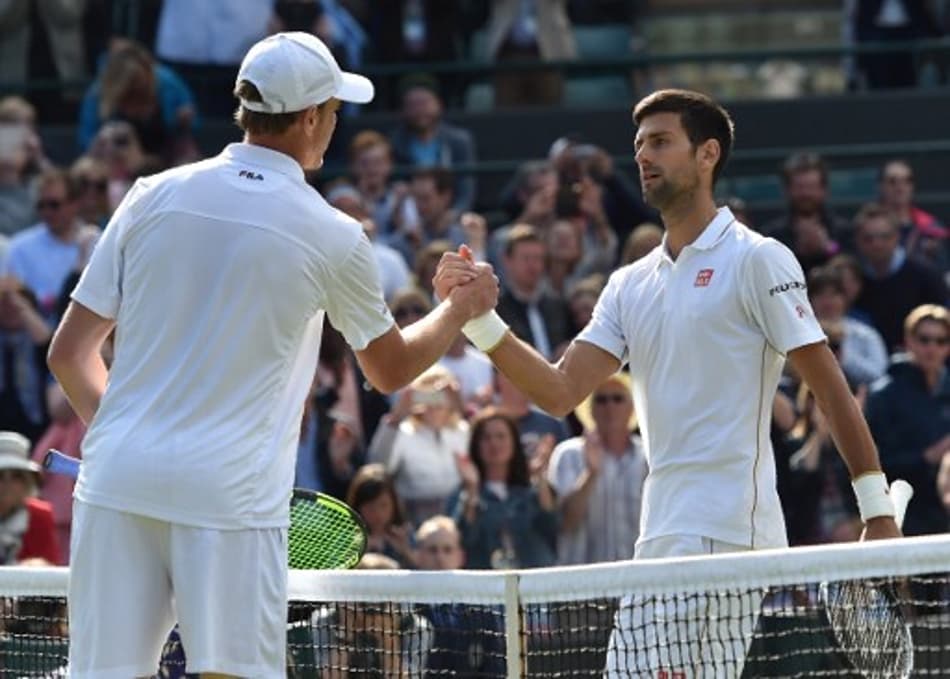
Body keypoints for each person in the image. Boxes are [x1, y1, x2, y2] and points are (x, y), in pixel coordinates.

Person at [46, 31, 498, 678]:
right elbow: (390, 370)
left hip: (117, 477)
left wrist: (118, 432)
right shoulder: (333, 234)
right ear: (311, 117)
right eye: (334, 112)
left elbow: (68, 355)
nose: (336, 125)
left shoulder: (149, 194)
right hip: (230, 497)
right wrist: (457, 309)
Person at [435, 88, 901, 676]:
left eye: (660, 142)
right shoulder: (630, 283)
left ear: (708, 154)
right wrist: (478, 319)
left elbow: (830, 389)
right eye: (638, 146)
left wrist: (876, 511)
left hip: (728, 530)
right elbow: (557, 391)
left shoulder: (759, 259)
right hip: (661, 532)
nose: (643, 157)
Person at [865, 304, 950, 537]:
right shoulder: (884, 395)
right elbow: (877, 463)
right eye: (924, 339)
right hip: (906, 516)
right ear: (909, 341)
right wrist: (930, 456)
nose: (932, 348)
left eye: (941, 341)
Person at [547, 372, 648, 565]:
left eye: (618, 399)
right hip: (582, 583)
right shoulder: (568, 454)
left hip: (640, 582)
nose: (610, 406)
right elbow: (563, 522)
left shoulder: (650, 457)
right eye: (601, 399)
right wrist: (591, 474)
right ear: (590, 409)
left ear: (633, 407)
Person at [447, 407, 558, 569]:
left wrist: (540, 477)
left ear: (514, 442)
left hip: (533, 581)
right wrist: (472, 489)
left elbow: (551, 526)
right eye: (486, 438)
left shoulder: (531, 489)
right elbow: (463, 538)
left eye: (501, 436)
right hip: (485, 583)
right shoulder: (462, 494)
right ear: (476, 445)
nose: (494, 443)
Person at [414, 515, 507, 678]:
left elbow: (495, 670)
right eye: (432, 550)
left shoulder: (482, 615)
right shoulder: (404, 610)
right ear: (419, 555)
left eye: (447, 549)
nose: (440, 557)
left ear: (460, 556)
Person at [0, 432, 60, 565]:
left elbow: (52, 568)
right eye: (0, 476)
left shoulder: (40, 515)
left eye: (16, 476)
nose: (7, 484)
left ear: (28, 482)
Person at [345, 463, 417, 568]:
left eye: (383, 505)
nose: (378, 513)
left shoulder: (406, 534)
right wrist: (359, 549)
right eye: (370, 507)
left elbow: (421, 569)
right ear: (358, 507)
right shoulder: (347, 537)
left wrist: (405, 551)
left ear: (394, 504)